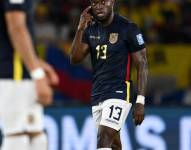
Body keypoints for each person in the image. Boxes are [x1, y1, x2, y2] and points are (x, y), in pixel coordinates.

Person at [70, 0, 148, 149]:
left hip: (119, 92)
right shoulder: (91, 30)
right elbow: (75, 58)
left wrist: (140, 101)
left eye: (103, 2)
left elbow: (142, 64)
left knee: (104, 136)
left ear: (112, 2)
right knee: (114, 144)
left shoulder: (128, 28)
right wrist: (80, 28)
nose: (99, 6)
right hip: (98, 93)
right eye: (95, 3)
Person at [0, 0, 58, 150]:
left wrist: (37, 63)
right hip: (14, 74)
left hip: (19, 69)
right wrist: (37, 74)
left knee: (36, 138)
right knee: (17, 137)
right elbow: (16, 27)